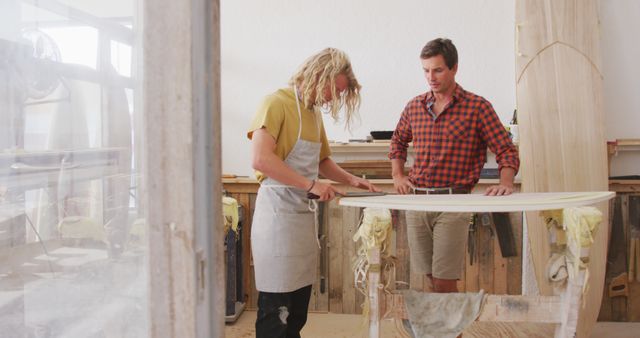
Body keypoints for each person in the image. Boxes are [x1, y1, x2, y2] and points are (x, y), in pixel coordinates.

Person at [248, 47, 380, 338]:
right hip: (277, 218)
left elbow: (321, 162)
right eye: (335, 89)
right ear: (319, 74)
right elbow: (261, 159)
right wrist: (310, 185)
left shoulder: (313, 114)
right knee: (275, 315)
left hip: (301, 220)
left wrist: (352, 180)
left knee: (296, 314)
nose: (333, 97)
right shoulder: (276, 103)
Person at [389, 38, 520, 294]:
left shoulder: (477, 107)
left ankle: (452, 333)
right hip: (417, 201)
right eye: (426, 70)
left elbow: (506, 149)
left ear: (454, 68)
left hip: (454, 202)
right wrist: (397, 175)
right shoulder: (415, 106)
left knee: (444, 281)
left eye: (437, 70)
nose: (431, 77)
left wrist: (505, 183)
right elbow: (397, 142)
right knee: (428, 276)